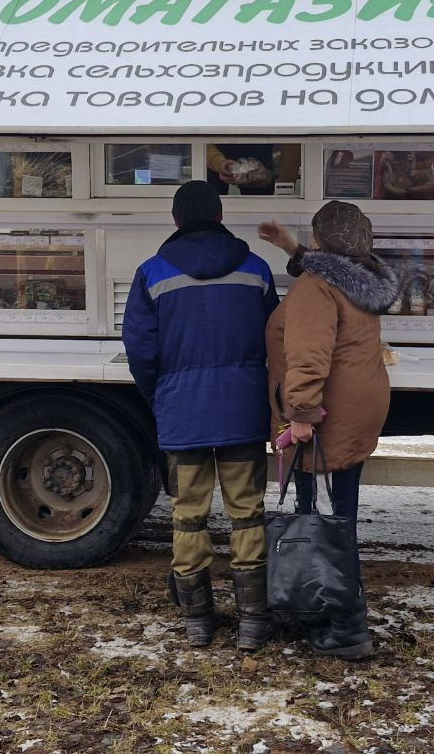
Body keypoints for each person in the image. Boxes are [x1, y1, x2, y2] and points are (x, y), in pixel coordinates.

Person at [122, 180, 279, 651]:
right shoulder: (256, 269)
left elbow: (139, 348)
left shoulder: (152, 273)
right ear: (220, 216)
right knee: (247, 513)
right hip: (242, 410)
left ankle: (198, 621)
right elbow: (276, 337)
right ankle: (253, 622)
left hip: (183, 413)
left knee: (189, 515)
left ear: (175, 220)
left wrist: (163, 393)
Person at [259, 202, 399, 659]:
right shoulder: (362, 281)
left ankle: (344, 623)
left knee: (324, 523)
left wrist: (299, 414)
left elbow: (308, 356)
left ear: (321, 241)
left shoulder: (316, 288)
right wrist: (292, 248)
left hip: (325, 419)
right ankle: (331, 605)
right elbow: (328, 265)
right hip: (357, 412)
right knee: (339, 515)